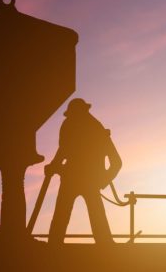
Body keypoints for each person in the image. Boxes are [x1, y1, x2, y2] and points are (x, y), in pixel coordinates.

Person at [45, 98, 122, 245]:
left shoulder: (96, 130)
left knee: (67, 217)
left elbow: (116, 162)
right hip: (80, 179)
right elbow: (63, 150)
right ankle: (106, 247)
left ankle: (53, 248)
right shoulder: (81, 127)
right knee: (67, 217)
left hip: (79, 179)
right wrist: (54, 165)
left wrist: (102, 181)